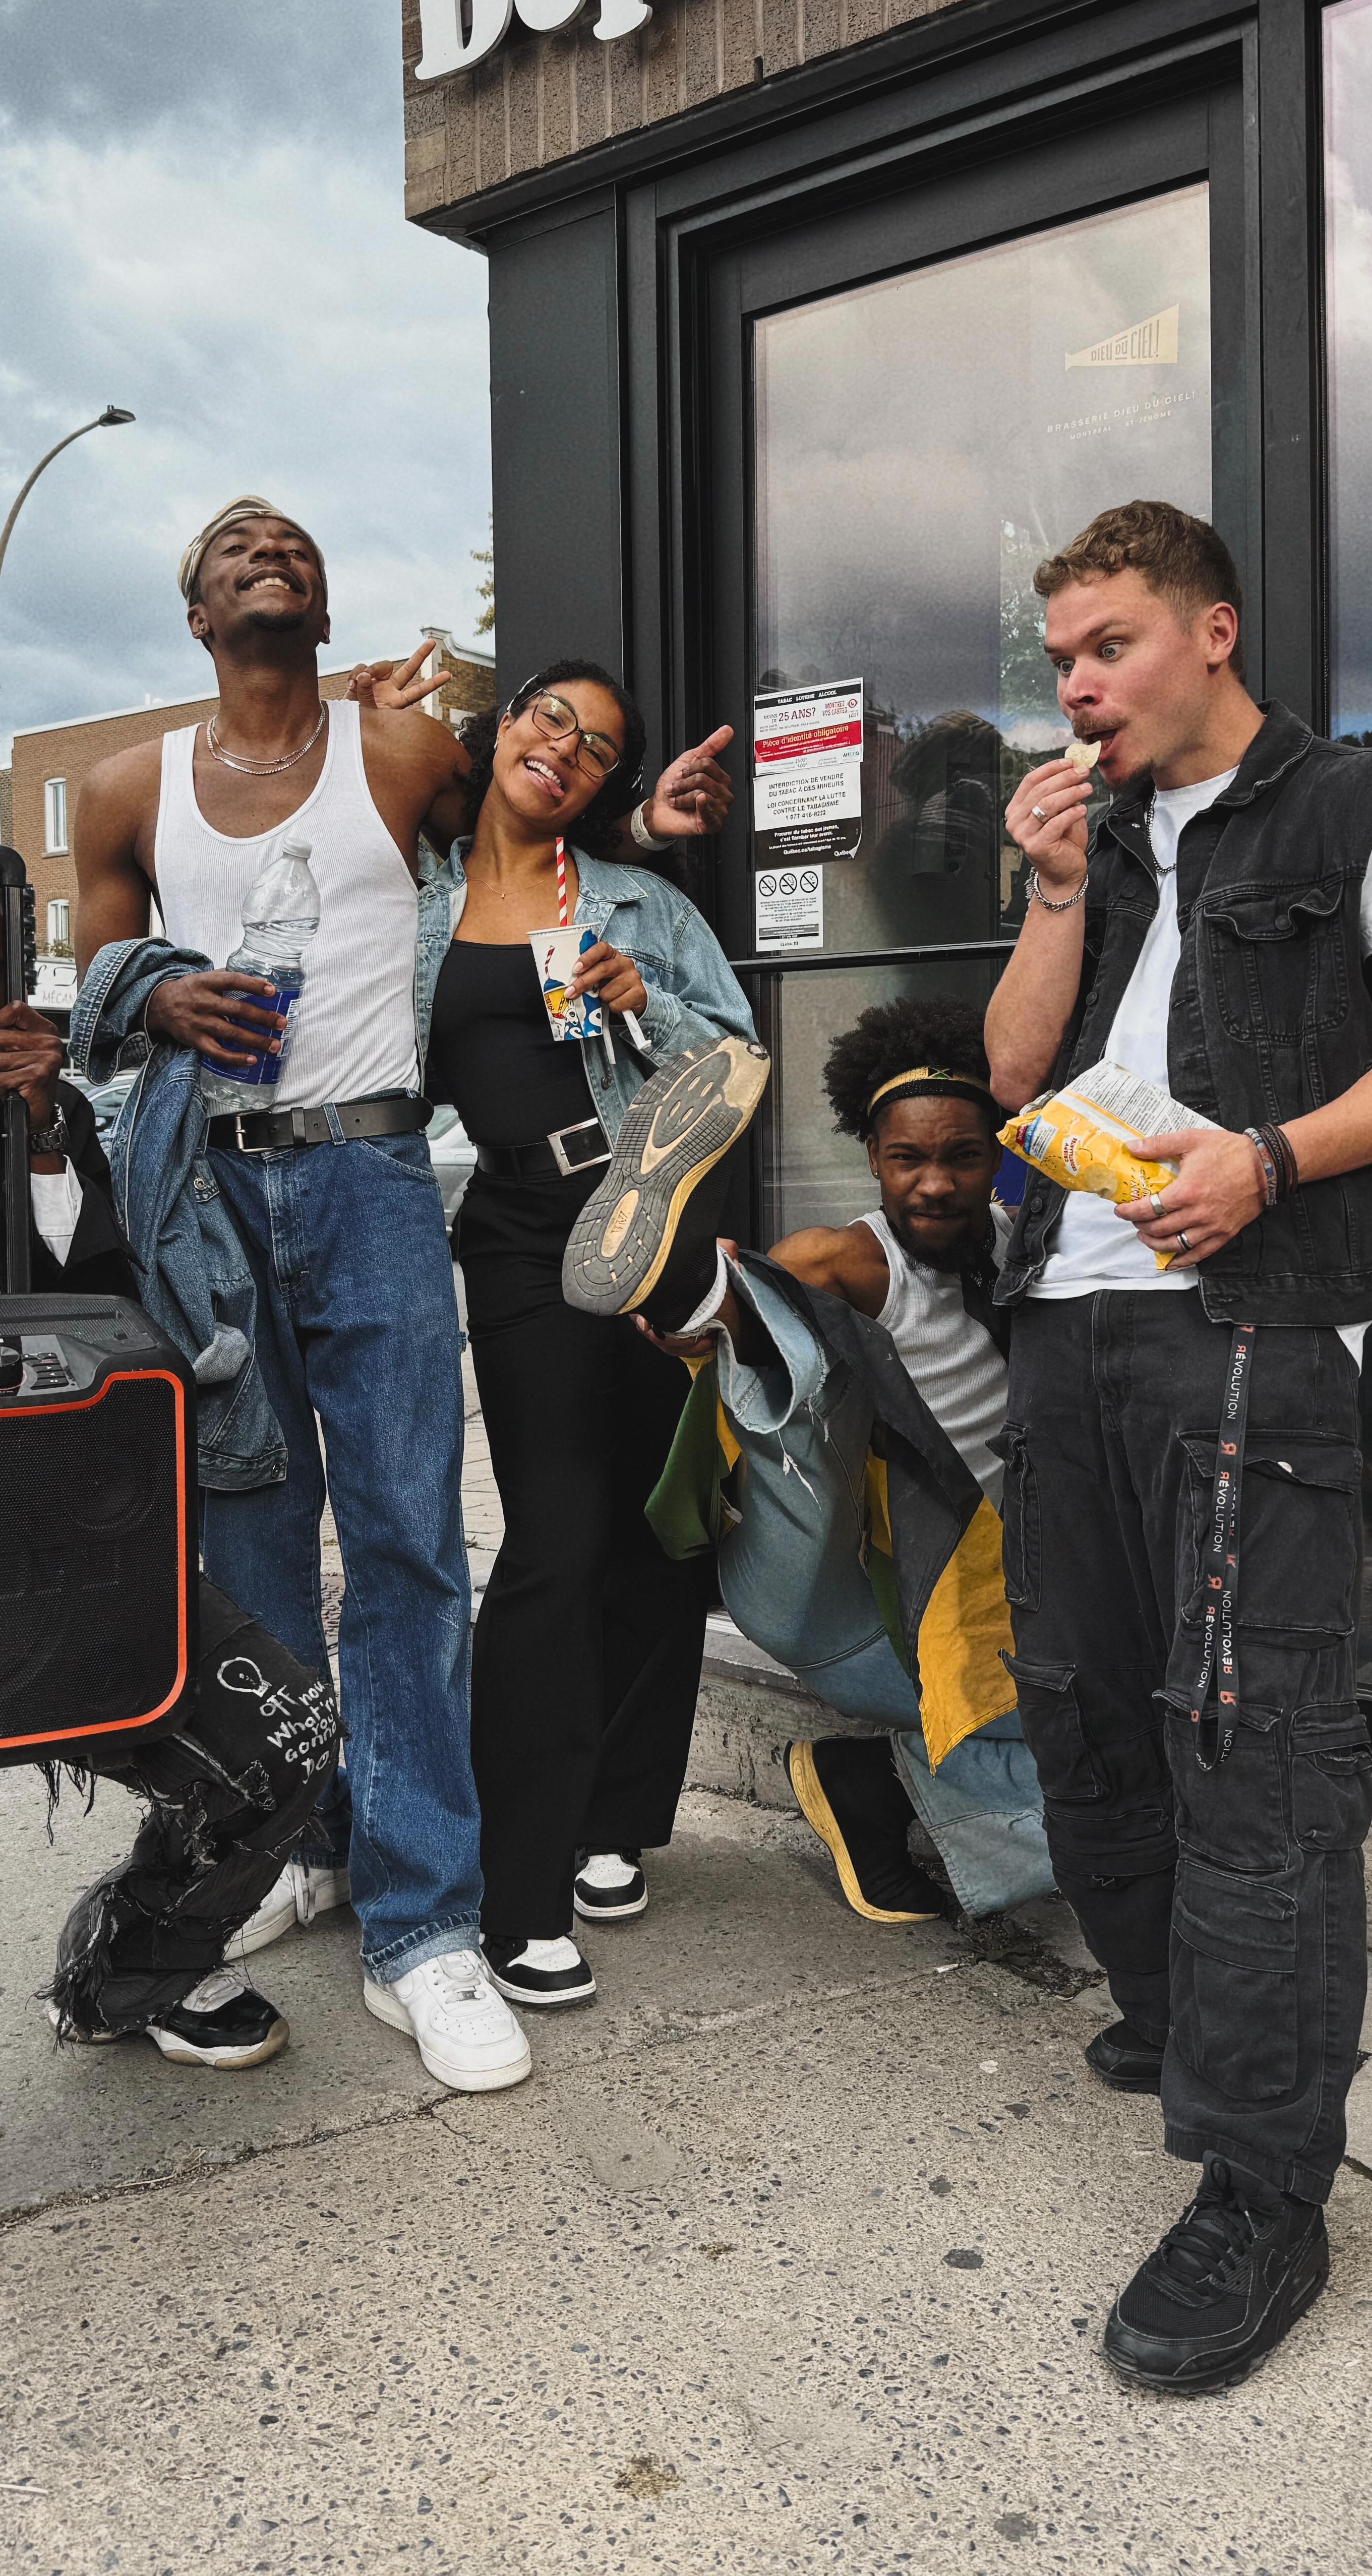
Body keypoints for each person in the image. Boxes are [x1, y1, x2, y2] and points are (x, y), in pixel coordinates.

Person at [72, 498, 733, 2096]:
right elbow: (97, 1005)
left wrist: (650, 832)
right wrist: (163, 995)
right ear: (195, 610)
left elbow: (538, 844)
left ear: (325, 603)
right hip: (213, 1195)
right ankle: (297, 1842)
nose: (268, 554)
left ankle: (424, 1925)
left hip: (372, 1181)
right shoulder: (123, 788)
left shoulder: (402, 750)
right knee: (253, 1557)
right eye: (235, 548)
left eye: (293, 546)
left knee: (412, 1553)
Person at [984, 498, 1372, 2391]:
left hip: (1254, 1325)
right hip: (1068, 1317)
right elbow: (1013, 1072)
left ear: (1212, 631)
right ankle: (1183, 2015)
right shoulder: (1102, 841)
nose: (1077, 687)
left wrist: (1269, 1161)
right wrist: (1049, 890)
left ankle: (1264, 2186)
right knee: (1084, 1704)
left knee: (1256, 1749)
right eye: (1059, 660)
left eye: (1106, 645)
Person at [0, 860, 338, 2067]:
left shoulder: (48, 1116)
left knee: (285, 1738)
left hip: (47, 1545)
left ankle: (139, 1967)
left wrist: (44, 1140)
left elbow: (116, 1318)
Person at [414, 660, 763, 2008]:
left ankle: (618, 1817)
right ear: (507, 726)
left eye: (600, 745)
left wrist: (642, 1000)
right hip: (519, 1228)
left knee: (659, 1531)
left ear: (609, 783)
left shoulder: (636, 903)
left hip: (649, 1203)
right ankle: (520, 1884)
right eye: (550, 718)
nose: (566, 746)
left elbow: (732, 1060)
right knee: (554, 1542)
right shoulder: (419, 895)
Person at [634, 995, 1053, 1925]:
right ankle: (879, 1786)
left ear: (1000, 1155)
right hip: (844, 1599)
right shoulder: (851, 1260)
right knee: (1109, 1750)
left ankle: (869, 1785)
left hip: (982, 1596)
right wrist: (703, 1313)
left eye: (962, 1157)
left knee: (1126, 1748)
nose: (934, 1185)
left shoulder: (1021, 1248)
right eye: (907, 1159)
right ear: (871, 1157)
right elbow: (763, 1300)